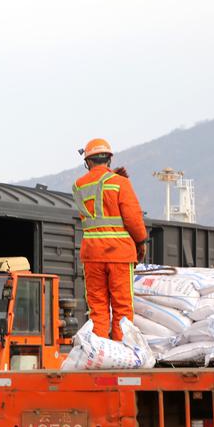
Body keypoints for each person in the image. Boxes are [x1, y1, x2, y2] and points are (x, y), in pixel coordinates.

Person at [73, 138, 148, 341]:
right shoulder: (120, 183)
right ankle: (121, 352)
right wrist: (141, 242)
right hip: (119, 254)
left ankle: (100, 352)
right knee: (122, 307)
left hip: (92, 254)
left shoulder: (78, 186)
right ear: (109, 159)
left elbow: (97, 206)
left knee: (97, 308)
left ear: (87, 162)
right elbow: (133, 219)